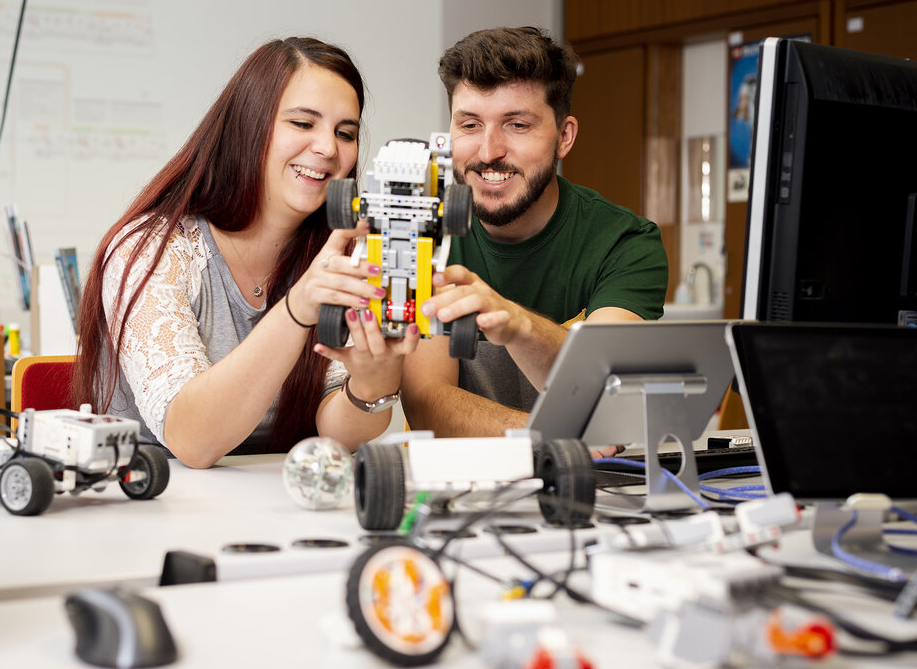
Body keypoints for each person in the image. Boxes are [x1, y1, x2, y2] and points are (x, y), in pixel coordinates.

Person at [72, 37, 418, 469]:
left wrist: (371, 382)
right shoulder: (153, 250)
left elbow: (336, 433)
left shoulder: (342, 253)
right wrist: (298, 307)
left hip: (277, 510)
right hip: (155, 510)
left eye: (345, 132)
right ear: (249, 125)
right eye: (303, 123)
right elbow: (192, 440)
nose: (328, 148)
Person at [402, 26, 668, 437]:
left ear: (564, 137)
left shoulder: (624, 243)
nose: (489, 152)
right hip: (458, 488)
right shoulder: (423, 230)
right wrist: (543, 438)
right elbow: (426, 401)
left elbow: (604, 396)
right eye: (470, 125)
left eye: (517, 125)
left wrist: (516, 325)